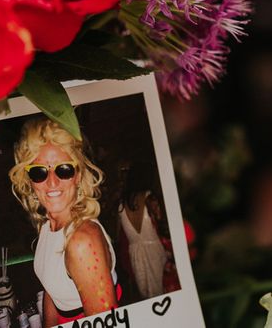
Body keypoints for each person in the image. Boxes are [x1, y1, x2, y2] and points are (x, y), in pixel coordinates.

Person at [9, 118, 119, 327]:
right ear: (30, 180)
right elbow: (52, 291)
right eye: (39, 171)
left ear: (78, 175)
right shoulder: (48, 225)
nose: (52, 182)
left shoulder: (82, 242)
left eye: (64, 169)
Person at [116, 162, 170, 300]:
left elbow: (120, 236)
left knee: (148, 296)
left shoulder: (121, 204)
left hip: (136, 256)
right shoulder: (150, 198)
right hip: (155, 251)